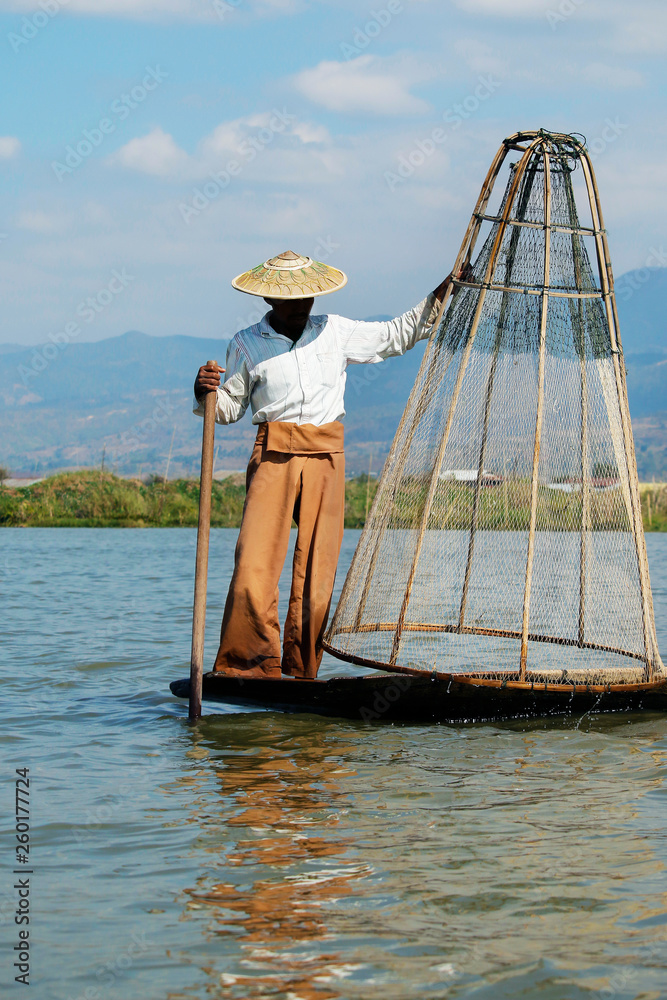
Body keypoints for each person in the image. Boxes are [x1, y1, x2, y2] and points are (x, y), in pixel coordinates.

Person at [194, 250, 452, 681]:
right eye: (291, 300)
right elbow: (227, 409)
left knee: (317, 572)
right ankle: (249, 666)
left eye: (307, 299)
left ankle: (302, 670)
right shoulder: (245, 344)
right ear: (269, 302)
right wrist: (205, 393)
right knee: (252, 568)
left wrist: (444, 291)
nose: (301, 307)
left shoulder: (335, 331)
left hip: (326, 455)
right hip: (274, 453)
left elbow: (396, 335)